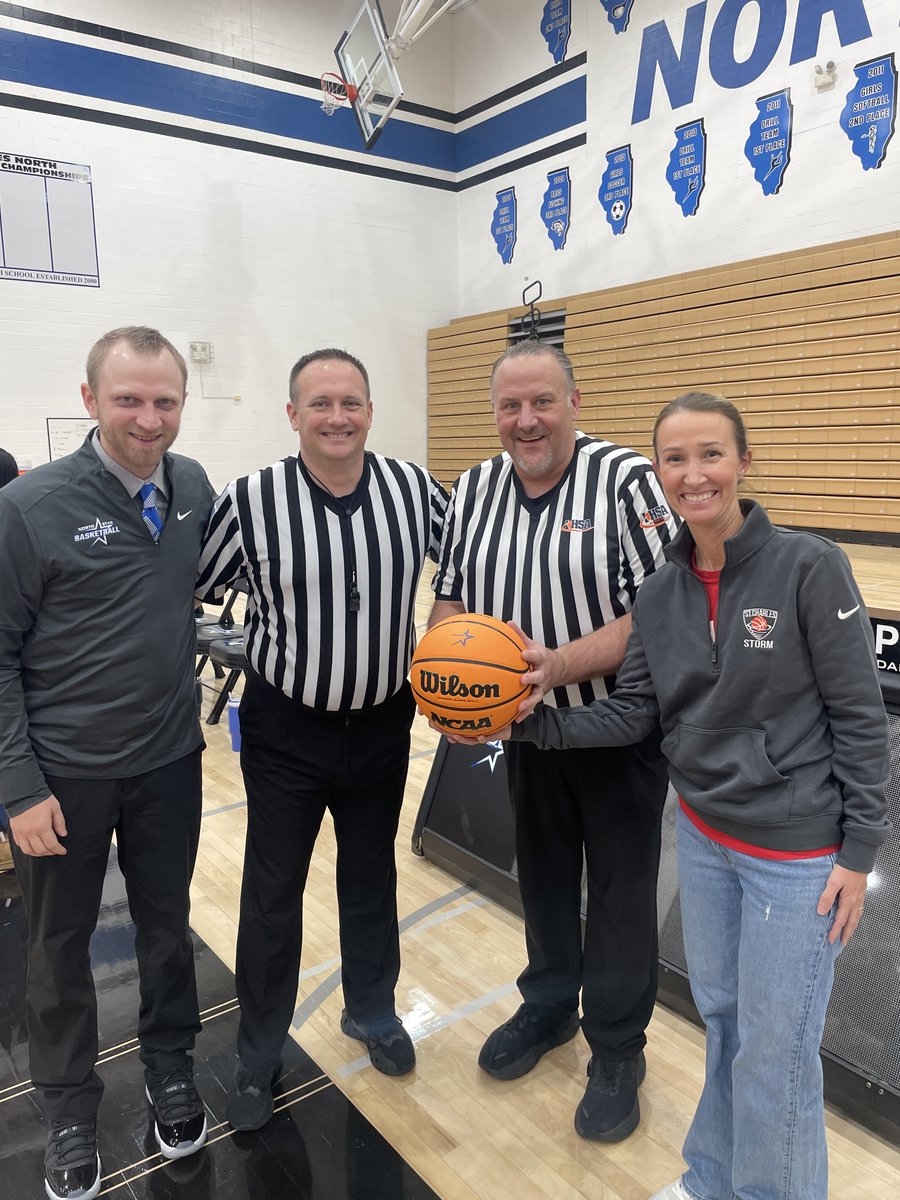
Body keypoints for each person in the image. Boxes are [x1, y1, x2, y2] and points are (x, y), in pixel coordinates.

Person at [497, 392, 891, 1200]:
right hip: (709, 840)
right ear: (658, 474)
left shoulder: (810, 567)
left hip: (798, 857)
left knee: (776, 1052)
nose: (693, 473)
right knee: (725, 1024)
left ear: (744, 462)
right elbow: (636, 708)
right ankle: (712, 1179)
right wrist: (527, 726)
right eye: (674, 459)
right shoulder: (659, 592)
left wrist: (859, 852)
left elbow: (861, 716)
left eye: (710, 453)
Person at [429, 340, 678, 1142]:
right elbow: (452, 599)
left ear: (575, 400)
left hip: (614, 729)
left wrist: (557, 664)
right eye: (510, 406)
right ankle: (547, 1007)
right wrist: (442, 680)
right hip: (528, 729)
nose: (525, 420)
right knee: (540, 877)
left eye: (541, 402)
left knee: (617, 892)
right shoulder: (473, 488)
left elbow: (657, 613)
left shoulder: (627, 480)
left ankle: (616, 1046)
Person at [196, 347, 448, 1132]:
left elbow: (470, 563)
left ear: (371, 411)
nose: (336, 417)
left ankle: (372, 1012)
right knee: (272, 895)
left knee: (370, 878)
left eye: (351, 402)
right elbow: (195, 586)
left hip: (382, 723)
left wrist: (453, 647)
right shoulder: (250, 500)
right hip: (286, 730)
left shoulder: (412, 490)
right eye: (320, 404)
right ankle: (258, 1051)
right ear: (293, 414)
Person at [0, 328, 215, 1200]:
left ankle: (170, 1067)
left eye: (165, 400)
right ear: (89, 400)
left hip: (170, 762)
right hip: (65, 776)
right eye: (129, 399)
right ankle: (68, 1107)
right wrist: (15, 786)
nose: (149, 417)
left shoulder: (193, 487)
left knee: (167, 930)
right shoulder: (29, 507)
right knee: (56, 948)